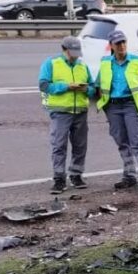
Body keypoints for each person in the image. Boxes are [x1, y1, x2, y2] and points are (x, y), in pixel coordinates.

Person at [95, 30, 138, 190]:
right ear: (111, 46)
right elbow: (98, 84)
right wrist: (106, 104)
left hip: (131, 105)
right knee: (122, 142)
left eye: (124, 42)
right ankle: (129, 175)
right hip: (113, 107)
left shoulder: (137, 61)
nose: (122, 46)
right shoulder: (106, 63)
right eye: (118, 43)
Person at [39, 36, 95, 194]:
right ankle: (59, 178)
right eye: (73, 53)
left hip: (80, 112)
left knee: (80, 146)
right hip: (61, 112)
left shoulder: (82, 65)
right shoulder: (51, 63)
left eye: (77, 53)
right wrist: (66, 86)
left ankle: (76, 175)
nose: (76, 56)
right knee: (59, 145)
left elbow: (92, 87)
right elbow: (44, 85)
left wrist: (86, 89)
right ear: (64, 50)